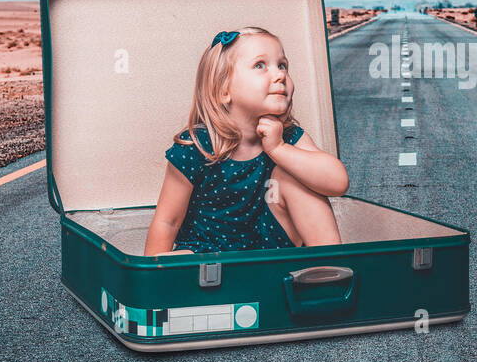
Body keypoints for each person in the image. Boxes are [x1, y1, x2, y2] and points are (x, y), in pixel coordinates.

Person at [143, 26, 347, 257]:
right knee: (174, 262)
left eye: (282, 65)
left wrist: (279, 149)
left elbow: (338, 183)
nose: (280, 75)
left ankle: (329, 272)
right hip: (208, 256)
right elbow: (167, 222)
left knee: (295, 174)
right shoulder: (196, 146)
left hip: (272, 251)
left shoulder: (288, 137)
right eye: (260, 65)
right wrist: (151, 282)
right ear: (223, 90)